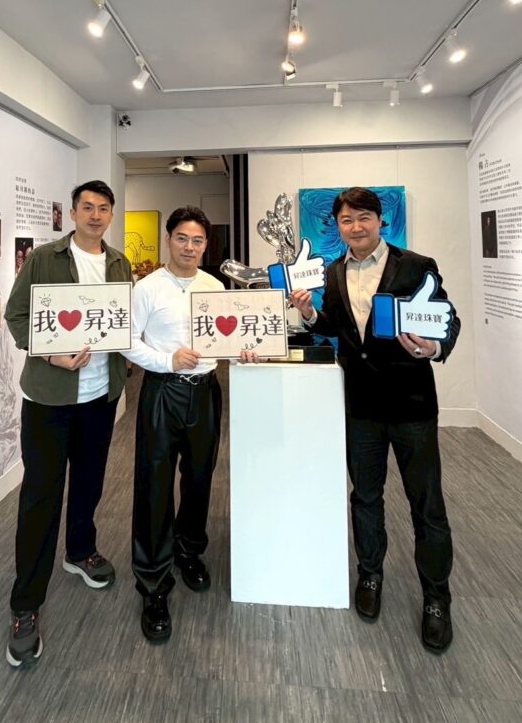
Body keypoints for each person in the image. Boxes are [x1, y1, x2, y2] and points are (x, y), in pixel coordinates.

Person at [290, 187, 460, 654]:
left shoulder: (416, 266)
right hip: (361, 407)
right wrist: (309, 313)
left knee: (426, 504)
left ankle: (437, 598)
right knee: (365, 497)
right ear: (338, 226)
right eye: (347, 220)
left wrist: (435, 346)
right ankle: (370, 574)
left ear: (380, 221)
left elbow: (447, 319)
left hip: (411, 406)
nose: (356, 226)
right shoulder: (334, 270)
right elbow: (338, 327)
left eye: (364, 217)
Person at [4, 180, 132, 668]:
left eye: (104, 208)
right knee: (41, 495)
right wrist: (49, 353)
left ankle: (80, 551)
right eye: (87, 207)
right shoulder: (44, 258)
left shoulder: (118, 263)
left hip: (99, 396)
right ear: (74, 212)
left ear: (111, 214)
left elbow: (124, 320)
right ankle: (25, 604)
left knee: (89, 483)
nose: (96, 215)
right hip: (49, 398)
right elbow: (17, 315)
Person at [125, 205, 254, 643]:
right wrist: (167, 359)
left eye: (197, 240)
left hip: (205, 392)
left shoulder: (214, 286)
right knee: (155, 483)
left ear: (205, 245)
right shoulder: (147, 287)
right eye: (182, 238)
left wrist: (243, 350)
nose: (189, 247)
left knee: (199, 478)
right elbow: (127, 343)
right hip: (163, 392)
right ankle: (153, 581)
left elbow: (227, 338)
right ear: (169, 239)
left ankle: (189, 551)